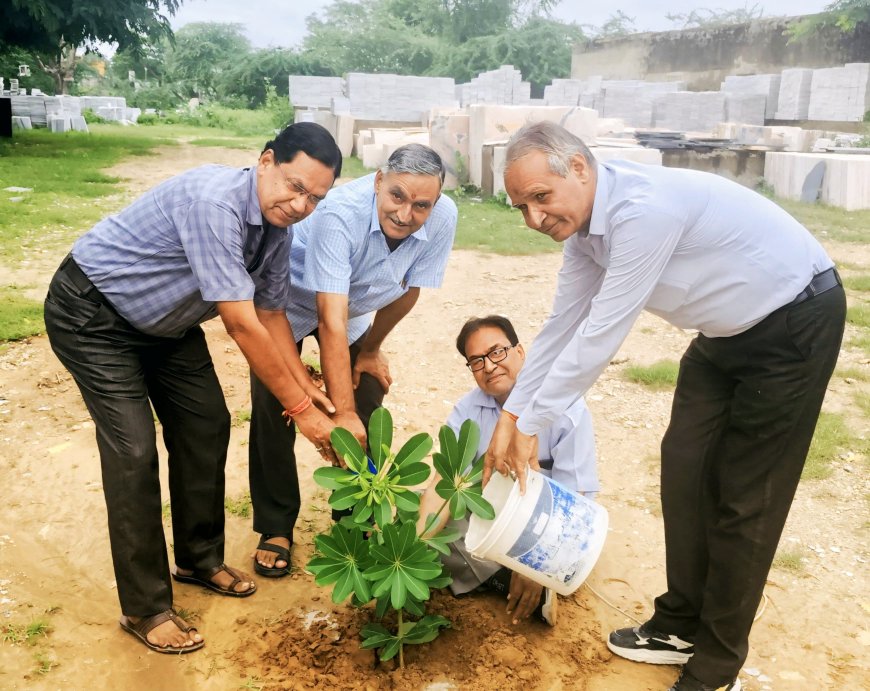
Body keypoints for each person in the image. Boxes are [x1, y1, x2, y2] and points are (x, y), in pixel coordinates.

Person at [484, 121, 845, 691]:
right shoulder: (583, 233)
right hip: (721, 337)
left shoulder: (641, 212)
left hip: (792, 325)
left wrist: (533, 422)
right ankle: (678, 623)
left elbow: (601, 333)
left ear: (579, 169)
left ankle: (716, 665)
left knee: (745, 499)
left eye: (540, 198)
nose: (533, 218)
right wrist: (510, 414)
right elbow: (562, 325)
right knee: (684, 471)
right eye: (520, 206)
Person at [44, 122, 343, 654]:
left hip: (165, 325)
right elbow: (242, 324)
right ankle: (146, 607)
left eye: (316, 198)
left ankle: (198, 560)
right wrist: (301, 409)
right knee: (134, 452)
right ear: (266, 159)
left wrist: (307, 385)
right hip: (93, 313)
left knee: (207, 423)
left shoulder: (277, 229)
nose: (301, 205)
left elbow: (273, 313)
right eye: (296, 186)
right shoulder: (215, 202)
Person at [248, 143, 458, 577]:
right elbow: (330, 321)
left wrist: (370, 350)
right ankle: (275, 527)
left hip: (350, 309)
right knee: (277, 405)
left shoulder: (443, 217)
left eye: (422, 205)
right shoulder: (340, 211)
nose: (405, 214)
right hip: (287, 303)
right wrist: (335, 411)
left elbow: (410, 288)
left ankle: (356, 520)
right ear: (379, 180)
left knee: (368, 399)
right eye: (397, 196)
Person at [417, 314, 599, 627]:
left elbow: (576, 495)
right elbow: (444, 482)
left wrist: (533, 564)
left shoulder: (565, 406)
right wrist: (412, 553)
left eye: (497, 352)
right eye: (476, 361)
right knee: (420, 517)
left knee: (573, 546)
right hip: (495, 513)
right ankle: (506, 581)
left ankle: (529, 578)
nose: (488, 366)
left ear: (520, 351)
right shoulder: (467, 410)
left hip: (553, 516)